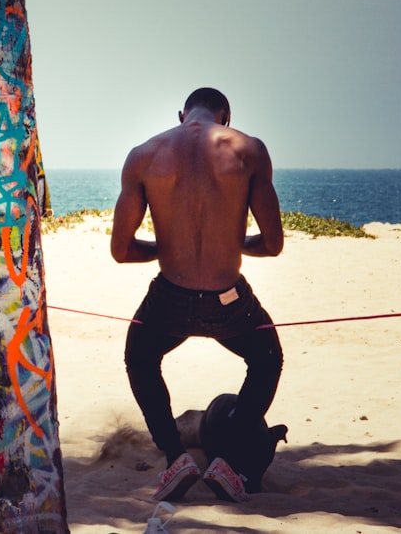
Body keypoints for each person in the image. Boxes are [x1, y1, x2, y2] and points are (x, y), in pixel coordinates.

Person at [111, 87, 284, 503]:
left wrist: (166, 248)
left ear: (181, 115)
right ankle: (233, 461)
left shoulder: (144, 155)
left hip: (170, 297)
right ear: (225, 117)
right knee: (267, 360)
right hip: (228, 300)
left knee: (141, 355)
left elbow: (122, 250)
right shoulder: (249, 151)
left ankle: (175, 458)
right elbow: (274, 244)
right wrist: (231, 243)